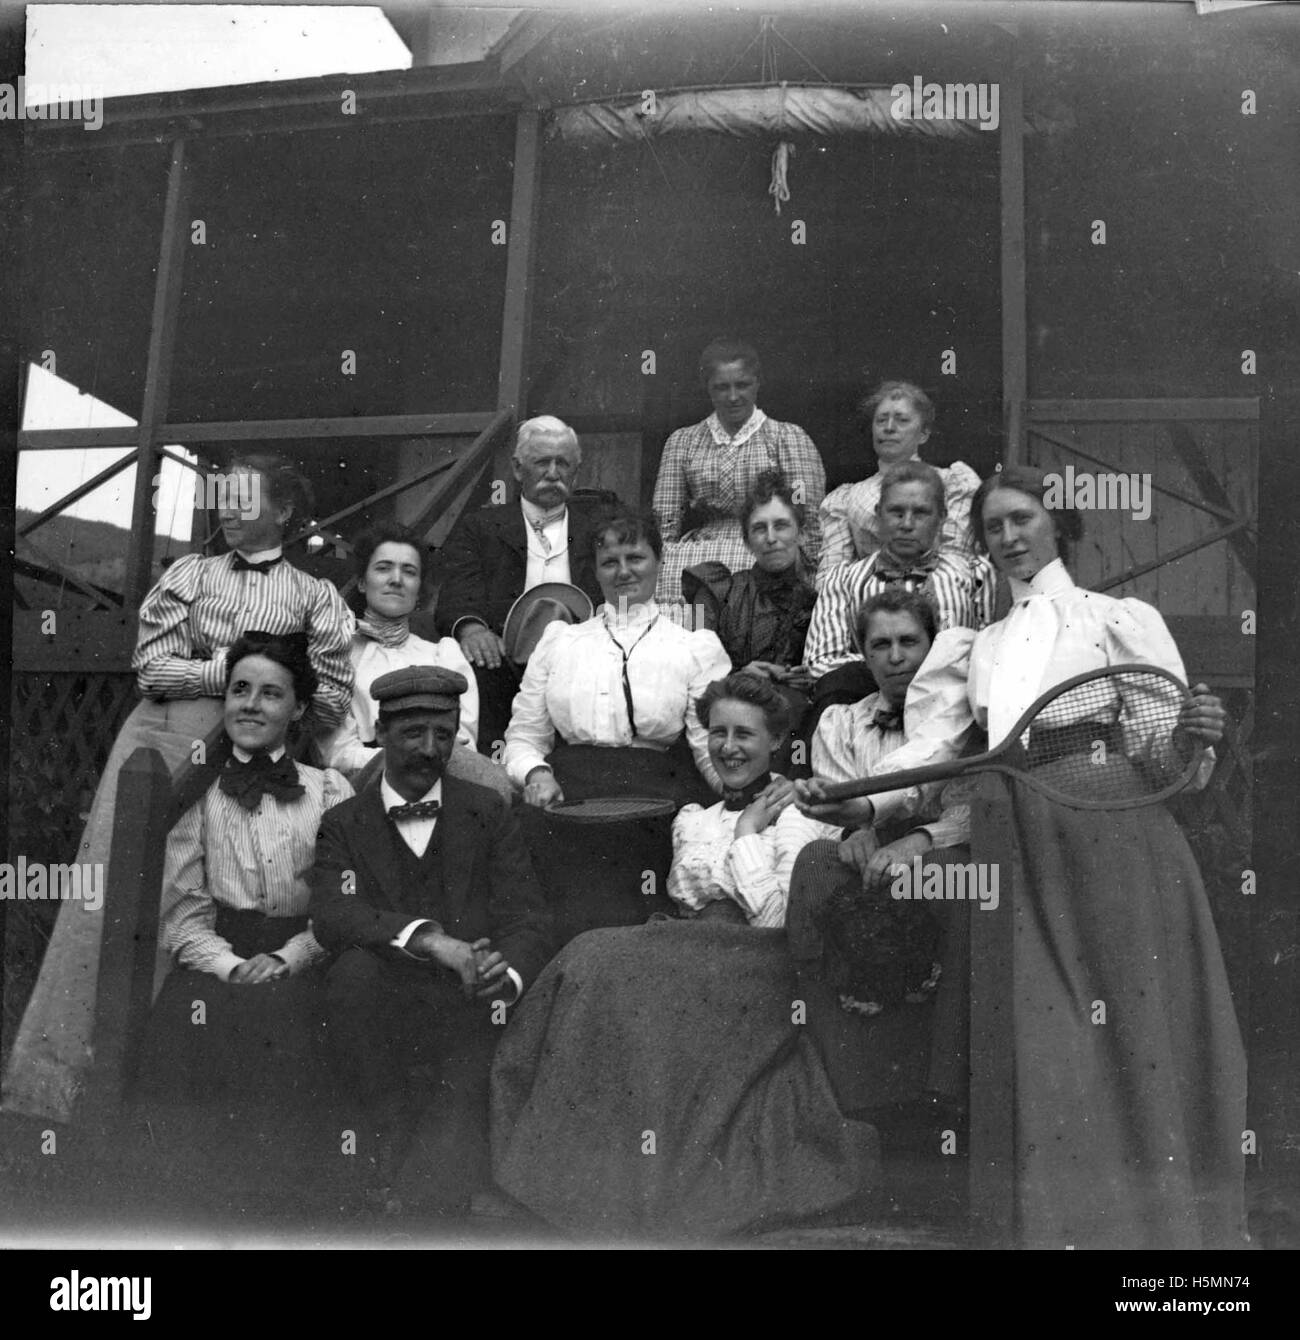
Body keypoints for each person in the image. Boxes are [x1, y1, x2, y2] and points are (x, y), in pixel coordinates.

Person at [3, 451, 354, 1125]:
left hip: (255, 748)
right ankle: (67, 1082)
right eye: (221, 495)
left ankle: (174, 1083)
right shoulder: (189, 574)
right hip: (161, 740)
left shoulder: (315, 596)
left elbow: (332, 693)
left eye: (245, 498)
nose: (227, 508)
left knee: (205, 894)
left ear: (283, 510)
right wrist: (234, 671)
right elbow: (152, 669)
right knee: (112, 894)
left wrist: (276, 703)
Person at [949, 463, 1244, 1248]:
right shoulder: (977, 646)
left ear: (1058, 525)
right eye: (994, 527)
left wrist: (1193, 733)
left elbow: (1162, 758)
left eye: (1022, 520)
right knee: (1047, 1032)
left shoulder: (1115, 618)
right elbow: (938, 751)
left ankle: (1153, 1232)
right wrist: (860, 801)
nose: (1009, 537)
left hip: (1107, 827)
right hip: (1016, 835)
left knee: (1129, 1024)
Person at [491, 673, 875, 1240]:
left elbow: (777, 919)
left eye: (745, 734)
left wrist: (748, 833)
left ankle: (631, 1183)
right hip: (689, 951)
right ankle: (575, 1176)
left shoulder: (798, 813)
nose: (728, 747)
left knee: (606, 963)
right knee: (590, 960)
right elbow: (680, 900)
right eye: (717, 732)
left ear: (775, 742)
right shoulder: (692, 818)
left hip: (759, 963)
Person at [309, 666, 553, 1217]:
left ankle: (421, 1190)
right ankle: (383, 1130)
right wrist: (429, 941)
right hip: (379, 1007)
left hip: (468, 1008)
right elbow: (333, 914)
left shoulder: (488, 811)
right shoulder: (343, 822)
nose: (430, 748)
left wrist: (504, 974)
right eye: (414, 733)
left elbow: (529, 919)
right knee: (350, 972)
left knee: (437, 1188)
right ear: (381, 731)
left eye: (444, 734)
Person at [134, 631, 353, 1111]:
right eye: (240, 690)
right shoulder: (199, 795)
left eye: (271, 693)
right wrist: (230, 967)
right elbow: (183, 915)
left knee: (291, 1027)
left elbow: (344, 904)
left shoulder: (330, 791)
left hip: (307, 954)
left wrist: (288, 958)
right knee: (190, 1024)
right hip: (218, 959)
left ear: (297, 709)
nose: (251, 705)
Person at [788, 589, 978, 1117]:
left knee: (952, 879)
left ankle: (946, 1083)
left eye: (909, 641)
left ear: (932, 645)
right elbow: (839, 800)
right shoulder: (842, 722)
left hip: (941, 846)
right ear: (862, 653)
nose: (896, 657)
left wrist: (919, 840)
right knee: (814, 866)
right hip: (870, 852)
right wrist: (856, 835)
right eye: (880, 645)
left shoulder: (962, 719)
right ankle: (826, 1058)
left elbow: (973, 808)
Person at [503, 507, 732, 940]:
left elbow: (710, 745)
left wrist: (742, 793)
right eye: (610, 562)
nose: (623, 572)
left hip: (654, 793)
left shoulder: (693, 646)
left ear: (659, 562)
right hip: (569, 791)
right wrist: (536, 773)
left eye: (636, 558)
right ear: (595, 571)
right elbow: (523, 736)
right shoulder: (560, 641)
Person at [434, 416, 605, 749]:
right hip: (503, 664)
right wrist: (472, 629)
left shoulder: (598, 529)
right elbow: (456, 595)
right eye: (542, 462)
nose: (553, 473)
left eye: (563, 463)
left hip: (582, 663)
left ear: (576, 472)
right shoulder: (480, 527)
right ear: (517, 468)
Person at [319, 522, 511, 798]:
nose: (396, 579)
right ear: (362, 582)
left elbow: (463, 747)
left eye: (409, 572)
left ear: (419, 588)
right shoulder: (337, 656)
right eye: (383, 568)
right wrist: (401, 758)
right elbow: (337, 754)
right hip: (365, 790)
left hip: (442, 786)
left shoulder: (444, 655)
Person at [803, 459, 994, 718]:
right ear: (878, 513)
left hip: (953, 712)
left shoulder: (974, 574)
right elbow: (820, 663)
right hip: (865, 713)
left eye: (920, 512)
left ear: (942, 517)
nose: (906, 523)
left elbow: (988, 655)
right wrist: (897, 674)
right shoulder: (844, 580)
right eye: (896, 512)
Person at [652, 338, 827, 573]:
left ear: (757, 383)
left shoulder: (787, 438)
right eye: (722, 387)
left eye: (742, 385)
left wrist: (806, 570)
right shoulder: (683, 442)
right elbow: (666, 519)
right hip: (699, 556)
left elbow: (806, 511)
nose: (733, 397)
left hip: (769, 551)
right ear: (707, 387)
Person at [682, 471, 817, 752]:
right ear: (746, 541)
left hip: (793, 730)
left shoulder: (819, 601)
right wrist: (740, 674)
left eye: (781, 526)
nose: (771, 538)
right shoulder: (713, 591)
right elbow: (690, 663)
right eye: (759, 528)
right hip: (723, 717)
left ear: (801, 534)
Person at [817, 379, 980, 583]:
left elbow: (959, 561)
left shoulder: (954, 483)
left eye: (902, 420)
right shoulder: (844, 498)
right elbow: (830, 578)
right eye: (881, 420)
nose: (889, 428)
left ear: (923, 434)